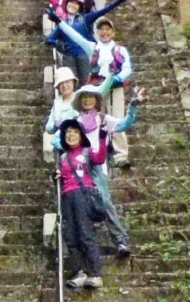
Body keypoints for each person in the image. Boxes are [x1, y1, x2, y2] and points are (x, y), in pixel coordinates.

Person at [52, 83, 146, 258]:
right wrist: (73, 149)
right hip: (78, 166)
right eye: (85, 97)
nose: (88, 100)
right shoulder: (76, 122)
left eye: (91, 97)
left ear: (96, 100)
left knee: (104, 201)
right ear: (80, 101)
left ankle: (120, 240)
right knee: (79, 206)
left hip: (96, 165)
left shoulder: (103, 119)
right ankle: (82, 248)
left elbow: (124, 125)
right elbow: (56, 139)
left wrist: (133, 107)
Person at [52, 18, 134, 168]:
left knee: (116, 117)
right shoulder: (93, 48)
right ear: (97, 33)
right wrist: (60, 22)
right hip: (96, 87)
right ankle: (95, 150)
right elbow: (76, 36)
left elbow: (127, 67)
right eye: (101, 30)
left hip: (115, 86)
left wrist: (118, 78)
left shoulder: (120, 50)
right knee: (94, 119)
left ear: (113, 32)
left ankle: (120, 154)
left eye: (107, 29)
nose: (104, 33)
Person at [56, 118, 106, 289]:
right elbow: (62, 177)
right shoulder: (63, 157)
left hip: (83, 194)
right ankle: (79, 272)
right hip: (67, 196)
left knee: (86, 233)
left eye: (75, 132)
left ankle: (94, 273)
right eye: (68, 132)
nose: (70, 135)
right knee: (70, 235)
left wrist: (102, 137)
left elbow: (99, 158)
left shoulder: (85, 152)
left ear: (81, 135)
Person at [45, 0, 127, 88]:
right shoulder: (63, 24)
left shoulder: (85, 19)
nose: (73, 5)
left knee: (86, 82)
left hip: (85, 54)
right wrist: (59, 44)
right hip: (69, 57)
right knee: (71, 82)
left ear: (80, 7)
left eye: (76, 4)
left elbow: (103, 11)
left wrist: (118, 2)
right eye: (71, 3)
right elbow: (49, 40)